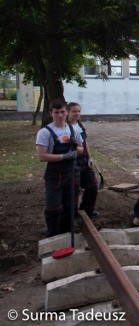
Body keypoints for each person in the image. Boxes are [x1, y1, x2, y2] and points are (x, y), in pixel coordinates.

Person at [35, 98, 84, 237]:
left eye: (62, 112)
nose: (60, 115)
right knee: (54, 207)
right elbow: (42, 156)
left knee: (71, 205)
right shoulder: (45, 132)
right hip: (54, 174)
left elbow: (81, 148)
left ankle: (67, 232)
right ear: (51, 113)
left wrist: (77, 150)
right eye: (56, 112)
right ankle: (52, 234)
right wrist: (64, 156)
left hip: (72, 172)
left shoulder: (73, 129)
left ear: (66, 112)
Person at [66, 102, 99, 218]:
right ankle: (73, 215)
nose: (77, 113)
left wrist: (90, 157)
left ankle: (87, 210)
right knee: (74, 189)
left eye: (78, 111)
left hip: (84, 160)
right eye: (74, 111)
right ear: (67, 112)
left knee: (92, 185)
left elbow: (85, 143)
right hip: (72, 161)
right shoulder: (65, 127)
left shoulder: (79, 125)